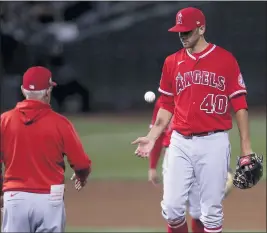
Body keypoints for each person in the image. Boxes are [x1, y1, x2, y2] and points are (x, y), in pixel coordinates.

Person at [132, 7, 254, 233]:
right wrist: (152, 137)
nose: (183, 36)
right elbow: (166, 104)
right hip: (180, 142)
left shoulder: (225, 60)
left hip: (213, 142)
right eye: (180, 32)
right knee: (171, 208)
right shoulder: (171, 62)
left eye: (187, 32)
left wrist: (246, 149)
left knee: (211, 212)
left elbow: (240, 105)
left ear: (202, 28)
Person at [0, 66, 92, 232]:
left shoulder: (4, 121)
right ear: (48, 91)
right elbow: (81, 163)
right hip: (50, 199)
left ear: (22, 90)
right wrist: (81, 176)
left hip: (14, 198)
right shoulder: (61, 123)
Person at [147, 97, 234, 232]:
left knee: (200, 212)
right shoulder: (164, 100)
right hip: (173, 157)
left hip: (199, 154)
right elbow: (157, 134)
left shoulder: (201, 95)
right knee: (172, 211)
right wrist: (152, 166)